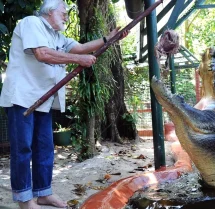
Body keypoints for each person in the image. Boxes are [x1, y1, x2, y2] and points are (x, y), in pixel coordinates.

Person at [0, 0, 129, 208]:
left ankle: (43, 193)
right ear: (50, 12)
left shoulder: (57, 36)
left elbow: (81, 48)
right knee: (23, 148)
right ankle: (24, 199)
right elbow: (42, 54)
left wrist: (109, 38)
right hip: (22, 98)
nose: (67, 16)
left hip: (43, 99)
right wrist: (78, 60)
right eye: (64, 12)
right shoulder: (31, 23)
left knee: (45, 146)